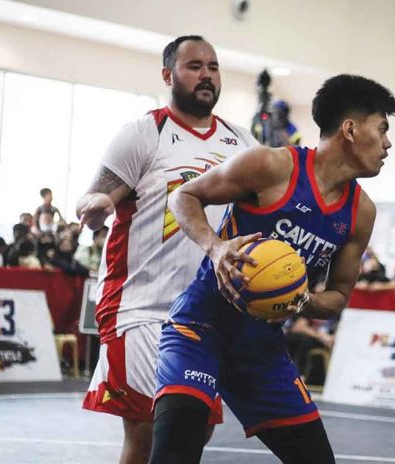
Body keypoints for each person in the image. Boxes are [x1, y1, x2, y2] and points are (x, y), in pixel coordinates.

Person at [151, 74, 395, 463]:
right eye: (382, 129)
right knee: (176, 448)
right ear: (350, 129)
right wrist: (216, 249)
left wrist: (298, 300)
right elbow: (184, 196)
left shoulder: (361, 212)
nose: (387, 144)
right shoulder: (270, 165)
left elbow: (336, 298)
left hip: (261, 350)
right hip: (200, 328)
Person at [76, 35, 258, 464]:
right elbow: (95, 196)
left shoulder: (243, 142)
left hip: (205, 311)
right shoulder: (144, 133)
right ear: (168, 75)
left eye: (213, 67)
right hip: (139, 305)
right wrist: (99, 204)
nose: (206, 75)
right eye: (194, 66)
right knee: (147, 433)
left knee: (193, 435)